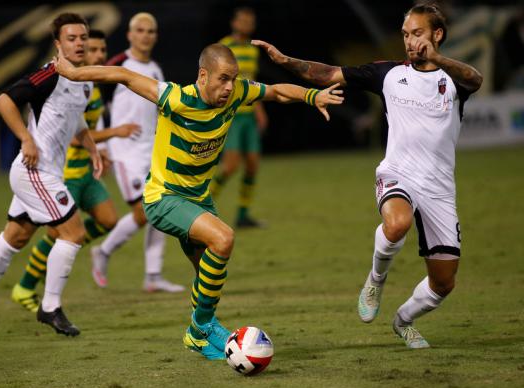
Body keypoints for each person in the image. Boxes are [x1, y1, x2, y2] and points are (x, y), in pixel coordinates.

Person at [54, 42, 343, 359]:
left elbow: (275, 92)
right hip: (164, 198)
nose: (229, 86)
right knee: (224, 239)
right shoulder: (175, 98)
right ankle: (197, 329)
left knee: (208, 273)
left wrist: (312, 95)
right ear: (203, 75)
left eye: (233, 78)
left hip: (197, 199)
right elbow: (123, 74)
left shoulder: (235, 94)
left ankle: (205, 327)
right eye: (223, 78)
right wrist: (73, 72)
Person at [254, 3, 483, 348]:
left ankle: (404, 321)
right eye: (405, 34)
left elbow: (475, 79)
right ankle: (376, 280)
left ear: (437, 35)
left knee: (443, 284)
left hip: (439, 189)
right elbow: (330, 73)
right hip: (398, 174)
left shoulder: (452, 79)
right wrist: (287, 62)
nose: (409, 41)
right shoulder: (388, 74)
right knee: (397, 224)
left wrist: (439, 60)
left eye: (417, 33)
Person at [0, 13, 103, 337]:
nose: (79, 43)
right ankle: (50, 307)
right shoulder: (49, 75)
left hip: (46, 173)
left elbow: (74, 120)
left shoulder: (84, 80)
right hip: (34, 173)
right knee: (73, 234)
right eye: (71, 38)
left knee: (17, 237)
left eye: (83, 37)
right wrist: (25, 138)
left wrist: (91, 147)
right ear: (58, 43)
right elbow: (4, 101)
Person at [10, 29, 140, 313]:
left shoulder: (91, 87)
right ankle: (25, 286)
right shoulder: (68, 85)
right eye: (93, 50)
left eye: (102, 50)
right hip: (66, 172)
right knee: (60, 234)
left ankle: (63, 253)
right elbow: (71, 135)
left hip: (85, 171)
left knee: (108, 220)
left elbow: (86, 131)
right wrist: (116, 132)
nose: (99, 55)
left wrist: (99, 151)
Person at [90, 13, 184, 293]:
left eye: (151, 31)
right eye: (140, 30)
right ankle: (103, 252)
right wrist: (103, 147)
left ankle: (153, 276)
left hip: (150, 150)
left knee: (161, 208)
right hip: (124, 152)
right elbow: (98, 105)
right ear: (130, 35)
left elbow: (160, 108)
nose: (146, 35)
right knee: (144, 212)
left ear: (155, 36)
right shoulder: (117, 65)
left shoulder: (154, 68)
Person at [210, 6, 268, 228]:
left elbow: (251, 83)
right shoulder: (225, 47)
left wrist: (260, 111)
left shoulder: (253, 50)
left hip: (249, 116)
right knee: (231, 166)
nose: (247, 25)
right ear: (234, 23)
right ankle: (204, 201)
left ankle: (243, 215)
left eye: (250, 21)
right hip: (231, 115)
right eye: (243, 20)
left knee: (252, 164)